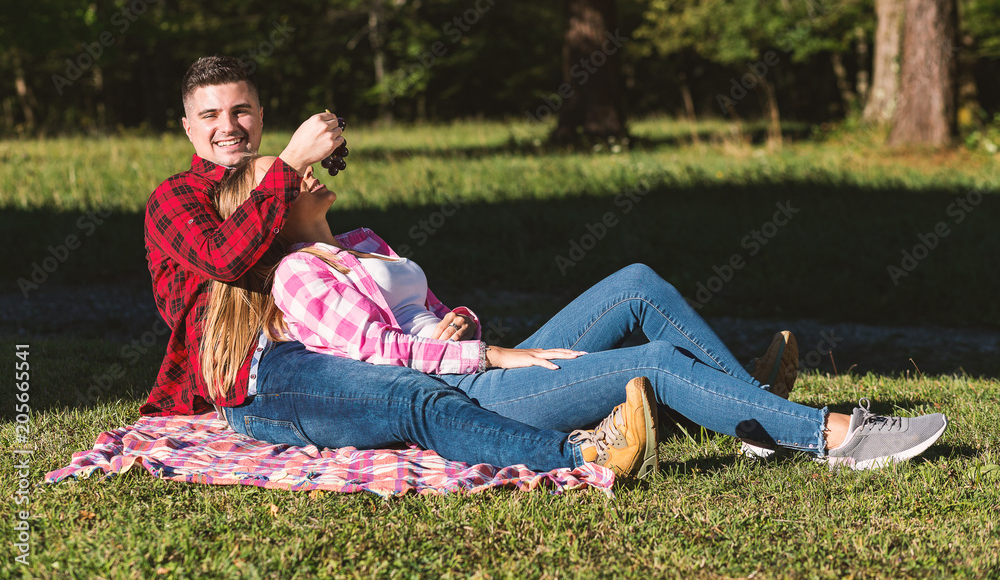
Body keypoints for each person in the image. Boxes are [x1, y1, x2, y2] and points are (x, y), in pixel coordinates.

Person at [202, 153, 950, 473]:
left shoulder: (361, 242)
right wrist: (485, 355)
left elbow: (425, 313)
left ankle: (755, 425)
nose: (303, 174)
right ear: (272, 211)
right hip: (465, 391)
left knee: (635, 281)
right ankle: (834, 436)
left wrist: (458, 320)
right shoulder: (298, 274)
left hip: (472, 360)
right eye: (288, 178)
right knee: (652, 363)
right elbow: (377, 358)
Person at [142, 55, 657, 477]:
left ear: (260, 114)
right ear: (188, 127)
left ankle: (631, 401)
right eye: (210, 116)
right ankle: (585, 453)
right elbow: (223, 258)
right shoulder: (177, 197)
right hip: (260, 368)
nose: (228, 126)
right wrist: (291, 162)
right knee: (411, 394)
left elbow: (357, 294)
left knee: (444, 379)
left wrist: (446, 323)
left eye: (241, 110)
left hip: (327, 339)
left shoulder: (275, 182)